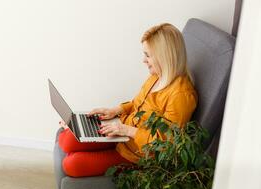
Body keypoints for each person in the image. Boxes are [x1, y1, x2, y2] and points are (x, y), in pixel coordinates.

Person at [58, 23, 198, 177]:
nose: (143, 60)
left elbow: (166, 144)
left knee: (70, 164)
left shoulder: (181, 96)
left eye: (148, 55)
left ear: (164, 57)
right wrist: (114, 111)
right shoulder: (156, 76)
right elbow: (137, 104)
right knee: (66, 140)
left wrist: (127, 131)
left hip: (136, 155)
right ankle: (79, 132)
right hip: (122, 132)